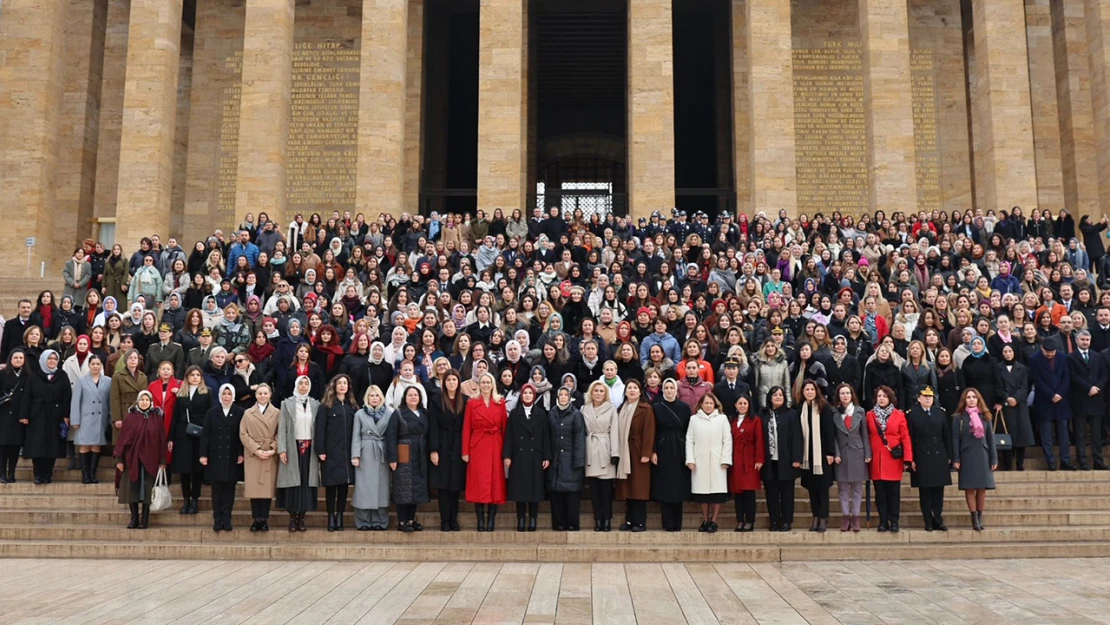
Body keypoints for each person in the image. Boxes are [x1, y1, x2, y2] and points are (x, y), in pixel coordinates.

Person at [114, 390, 167, 529]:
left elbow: (162, 440)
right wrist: (119, 459)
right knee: (132, 489)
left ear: (151, 402)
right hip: (132, 459)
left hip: (151, 459)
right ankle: (134, 518)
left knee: (147, 490)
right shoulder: (130, 418)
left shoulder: (157, 418)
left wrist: (162, 461)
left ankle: (145, 518)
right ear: (137, 401)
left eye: (147, 400)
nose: (144, 402)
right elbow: (122, 440)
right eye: (142, 400)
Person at [504, 383, 551, 532]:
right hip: (518, 456)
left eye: (530, 393)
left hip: (535, 456)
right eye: (525, 393)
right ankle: (521, 519)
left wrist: (546, 456)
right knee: (520, 490)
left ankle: (532, 519)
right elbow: (509, 436)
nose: (528, 396)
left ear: (534, 396)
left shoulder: (541, 414)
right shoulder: (514, 413)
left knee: (534, 490)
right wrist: (507, 455)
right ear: (521, 395)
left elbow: (545, 437)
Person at [276, 375, 320, 532]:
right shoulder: (287, 403)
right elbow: (282, 428)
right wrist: (282, 449)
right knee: (292, 484)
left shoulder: (315, 404)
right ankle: (292, 517)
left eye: (306, 383)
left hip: (309, 449)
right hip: (293, 447)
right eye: (300, 383)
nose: (303, 386)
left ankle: (302, 518)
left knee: (306, 485)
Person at [21, 349, 71, 484]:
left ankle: (47, 475)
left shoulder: (62, 375)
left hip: (55, 415)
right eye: (50, 358)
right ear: (43, 359)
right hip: (37, 415)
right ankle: (38, 474)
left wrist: (66, 415)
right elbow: (27, 396)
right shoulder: (34, 376)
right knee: (37, 446)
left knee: (52, 446)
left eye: (55, 359)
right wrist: (24, 415)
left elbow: (67, 396)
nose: (52, 361)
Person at [866, 385, 912, 532]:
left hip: (893, 457)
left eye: (884, 396)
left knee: (893, 493)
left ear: (890, 398)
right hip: (877, 458)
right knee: (880, 493)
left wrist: (908, 459)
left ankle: (894, 521)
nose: (881, 398)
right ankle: (883, 521)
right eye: (879, 396)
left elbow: (905, 437)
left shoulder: (899, 415)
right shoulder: (870, 415)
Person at [906, 386, 952, 531]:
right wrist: (910, 459)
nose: (928, 399)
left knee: (939, 490)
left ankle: (938, 518)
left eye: (930, 396)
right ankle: (928, 521)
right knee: (925, 491)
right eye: (925, 396)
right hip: (921, 455)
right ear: (919, 398)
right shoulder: (912, 414)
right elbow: (910, 438)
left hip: (939, 454)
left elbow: (947, 436)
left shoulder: (940, 413)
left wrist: (949, 455)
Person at [315, 375, 357, 531]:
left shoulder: (351, 406)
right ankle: (330, 516)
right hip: (330, 452)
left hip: (346, 452)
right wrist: (321, 450)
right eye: (339, 383)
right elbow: (320, 430)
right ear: (334, 386)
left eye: (345, 383)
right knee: (331, 487)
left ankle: (340, 516)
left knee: (344, 486)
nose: (342, 386)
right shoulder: (326, 406)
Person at [952, 388, 998, 531]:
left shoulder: (985, 416)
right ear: (964, 400)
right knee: (969, 487)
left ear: (978, 399)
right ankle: (973, 517)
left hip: (982, 454)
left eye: (974, 397)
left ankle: (980, 515)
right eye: (968, 397)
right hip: (966, 454)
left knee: (982, 487)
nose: (971, 399)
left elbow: (990, 439)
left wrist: (994, 458)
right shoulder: (958, 417)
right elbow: (955, 439)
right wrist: (956, 458)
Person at [200, 384, 244, 532]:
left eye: (229, 394)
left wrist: (240, 453)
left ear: (233, 396)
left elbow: (241, 435)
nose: (226, 397)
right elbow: (205, 435)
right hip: (215, 456)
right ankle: (217, 519)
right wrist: (203, 454)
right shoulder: (212, 412)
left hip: (231, 456)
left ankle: (227, 518)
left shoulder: (239, 412)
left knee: (229, 489)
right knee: (216, 489)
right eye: (224, 394)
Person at [387, 386, 432, 532]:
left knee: (416, 488)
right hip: (403, 452)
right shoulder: (398, 414)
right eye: (410, 395)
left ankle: (411, 520)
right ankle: (402, 521)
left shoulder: (424, 413)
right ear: (405, 398)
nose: (413, 397)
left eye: (416, 395)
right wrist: (392, 458)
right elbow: (391, 436)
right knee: (403, 487)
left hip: (420, 452)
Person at [686, 393, 731, 532]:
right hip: (700, 461)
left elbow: (727, 440)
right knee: (702, 493)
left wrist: (726, 459)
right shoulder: (694, 419)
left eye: (711, 403)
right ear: (701, 404)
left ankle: (714, 521)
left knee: (717, 493)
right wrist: (690, 460)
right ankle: (705, 520)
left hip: (718, 461)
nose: (708, 406)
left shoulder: (722, 419)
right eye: (706, 403)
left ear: (715, 405)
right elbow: (689, 440)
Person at [429, 369, 467, 531]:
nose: (452, 383)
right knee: (443, 485)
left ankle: (454, 519)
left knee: (455, 485)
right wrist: (433, 450)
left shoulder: (465, 400)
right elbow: (433, 426)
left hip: (458, 445)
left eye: (454, 380)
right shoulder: (437, 400)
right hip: (442, 445)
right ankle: (445, 520)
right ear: (444, 382)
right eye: (449, 380)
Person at [1028, 336, 1075, 470]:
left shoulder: (1062, 357)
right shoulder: (1034, 359)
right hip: (1044, 400)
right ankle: (1050, 461)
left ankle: (1065, 460)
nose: (1050, 354)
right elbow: (1036, 380)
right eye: (1047, 352)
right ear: (1042, 348)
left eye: (1052, 352)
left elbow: (1066, 376)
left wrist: (1060, 393)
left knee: (1063, 433)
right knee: (1046, 433)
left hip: (1062, 399)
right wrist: (1051, 395)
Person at [168, 366, 210, 514]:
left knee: (197, 470)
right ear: (187, 377)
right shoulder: (181, 393)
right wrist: (171, 438)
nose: (195, 377)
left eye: (198, 375)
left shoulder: (207, 392)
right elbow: (174, 417)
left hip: (199, 433)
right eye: (192, 375)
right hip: (182, 434)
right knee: (184, 469)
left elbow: (210, 415)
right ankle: (186, 499)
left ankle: (195, 500)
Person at [652, 378, 692, 532]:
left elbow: (689, 430)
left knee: (678, 486)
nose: (669, 390)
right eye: (666, 388)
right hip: (663, 447)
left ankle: (677, 522)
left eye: (671, 387)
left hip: (680, 447)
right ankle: (667, 522)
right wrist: (653, 450)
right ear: (663, 390)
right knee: (665, 485)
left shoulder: (685, 407)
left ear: (676, 390)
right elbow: (653, 431)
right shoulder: (656, 407)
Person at [351, 385, 392, 531]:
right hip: (365, 452)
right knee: (364, 487)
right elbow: (355, 435)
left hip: (382, 452)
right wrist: (355, 455)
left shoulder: (389, 413)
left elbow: (392, 436)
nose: (374, 398)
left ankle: (380, 521)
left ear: (381, 397)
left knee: (382, 487)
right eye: (371, 396)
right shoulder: (360, 414)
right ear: (367, 398)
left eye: (377, 396)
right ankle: (363, 521)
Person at [761, 386, 801, 532]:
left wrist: (797, 458)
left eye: (780, 395)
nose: (778, 397)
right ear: (770, 397)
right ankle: (774, 520)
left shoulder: (791, 414)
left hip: (786, 459)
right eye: (775, 394)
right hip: (769, 461)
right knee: (771, 493)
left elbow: (797, 436)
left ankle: (786, 520)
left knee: (787, 493)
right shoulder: (763, 414)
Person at [797, 379, 835, 532]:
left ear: (816, 391)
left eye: (812, 389)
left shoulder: (824, 407)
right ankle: (815, 517)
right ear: (803, 392)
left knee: (823, 488)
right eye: (807, 390)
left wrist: (830, 452)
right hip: (807, 455)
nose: (810, 392)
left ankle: (824, 517)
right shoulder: (800, 408)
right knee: (812, 489)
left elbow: (829, 432)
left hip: (822, 454)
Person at [240, 384, 279, 532]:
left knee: (266, 490)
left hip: (269, 453)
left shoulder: (277, 413)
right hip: (253, 454)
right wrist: (255, 450)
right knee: (254, 489)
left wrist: (273, 449)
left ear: (270, 395)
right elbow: (243, 433)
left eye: (265, 393)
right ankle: (256, 519)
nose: (262, 396)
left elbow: (280, 432)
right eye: (260, 393)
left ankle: (264, 519)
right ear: (255, 395)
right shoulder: (248, 413)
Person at [830, 383, 869, 533]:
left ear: (852, 394)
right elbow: (832, 436)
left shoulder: (860, 411)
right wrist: (836, 453)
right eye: (842, 393)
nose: (845, 396)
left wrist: (868, 454)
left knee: (857, 488)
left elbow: (864, 434)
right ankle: (845, 516)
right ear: (838, 396)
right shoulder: (834, 412)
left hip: (858, 452)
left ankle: (856, 517)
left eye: (847, 393)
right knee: (843, 488)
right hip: (842, 454)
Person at [583, 379, 621, 532]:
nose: (598, 393)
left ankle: (607, 520)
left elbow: (615, 432)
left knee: (606, 491)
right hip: (590, 449)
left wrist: (615, 453)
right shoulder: (584, 409)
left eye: (601, 391)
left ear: (605, 394)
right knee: (594, 492)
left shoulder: (611, 409)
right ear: (591, 393)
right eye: (596, 391)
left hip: (605, 449)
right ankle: (597, 519)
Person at [1068, 330, 1108, 470]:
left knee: (1096, 433)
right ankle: (1082, 461)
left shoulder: (1098, 356)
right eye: (1082, 339)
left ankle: (1098, 460)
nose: (1085, 342)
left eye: (1087, 340)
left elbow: (1104, 374)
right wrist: (1088, 388)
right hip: (1080, 399)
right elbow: (1073, 376)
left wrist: (1097, 387)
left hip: (1096, 399)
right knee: (1080, 433)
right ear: (1077, 341)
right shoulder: (1071, 357)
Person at [547, 385, 586, 531]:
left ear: (570, 398)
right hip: (556, 459)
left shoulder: (576, 415)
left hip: (571, 460)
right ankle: (559, 523)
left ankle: (572, 523)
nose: (563, 397)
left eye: (566, 395)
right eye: (561, 395)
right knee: (556, 493)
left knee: (572, 493)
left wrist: (579, 461)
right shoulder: (552, 413)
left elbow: (579, 439)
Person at [70, 354, 111, 484]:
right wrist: (75, 420)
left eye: (98, 364)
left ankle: (92, 475)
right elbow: (76, 401)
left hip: (100, 418)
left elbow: (110, 401)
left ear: (101, 366)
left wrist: (110, 419)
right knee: (85, 445)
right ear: (89, 365)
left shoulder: (108, 381)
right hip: (85, 418)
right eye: (93, 364)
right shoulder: (82, 381)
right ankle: (85, 475)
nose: (95, 366)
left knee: (96, 445)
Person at [727, 393, 763, 532]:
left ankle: (750, 520)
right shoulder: (732, 421)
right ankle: (740, 520)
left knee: (749, 492)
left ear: (749, 405)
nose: (742, 406)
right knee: (738, 493)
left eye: (745, 403)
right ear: (735, 405)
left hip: (749, 458)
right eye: (740, 403)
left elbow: (759, 440)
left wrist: (759, 459)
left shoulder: (755, 420)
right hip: (736, 458)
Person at [997, 344, 1033, 471]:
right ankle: (1008, 464)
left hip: (1019, 405)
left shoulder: (1022, 368)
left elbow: (1025, 386)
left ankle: (1020, 463)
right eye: (1005, 351)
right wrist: (1007, 398)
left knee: (1021, 435)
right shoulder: (998, 368)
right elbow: (998, 387)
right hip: (1006, 406)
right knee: (1007, 434)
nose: (1007, 353)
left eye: (1010, 351)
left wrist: (1016, 398)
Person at [0, 349, 29, 483]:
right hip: (4, 414)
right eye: (15, 357)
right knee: (3, 445)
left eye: (21, 358)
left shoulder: (28, 375)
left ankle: (11, 473)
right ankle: (2, 474)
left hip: (20, 415)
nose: (18, 360)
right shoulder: (3, 374)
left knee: (15, 446)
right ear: (10, 359)